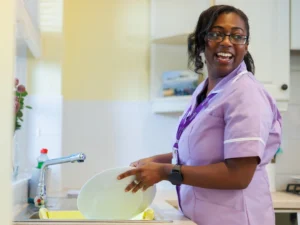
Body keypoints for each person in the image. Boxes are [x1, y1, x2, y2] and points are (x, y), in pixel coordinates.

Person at [118, 5, 282, 225]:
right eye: (216, 33)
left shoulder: (246, 94)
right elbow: (202, 153)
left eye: (237, 36)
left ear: (246, 45)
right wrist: (155, 161)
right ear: (202, 41)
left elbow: (239, 175)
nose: (226, 41)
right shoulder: (206, 90)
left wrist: (166, 171)